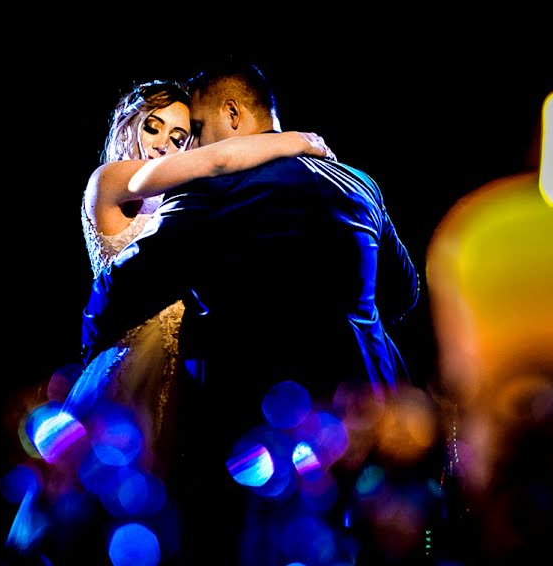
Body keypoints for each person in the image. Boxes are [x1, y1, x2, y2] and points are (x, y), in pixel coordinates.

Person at [80, 61, 421, 563]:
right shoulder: (358, 183)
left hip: (262, 417)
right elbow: (403, 294)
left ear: (232, 113)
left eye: (192, 131)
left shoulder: (211, 190)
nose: (190, 149)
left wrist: (95, 333)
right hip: (373, 402)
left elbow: (124, 287)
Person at [72, 79, 335, 476]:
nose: (163, 143)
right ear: (129, 125)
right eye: (153, 126)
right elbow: (217, 160)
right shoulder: (108, 180)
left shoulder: (186, 201)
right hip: (130, 364)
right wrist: (294, 141)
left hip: (186, 370)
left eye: (179, 137)